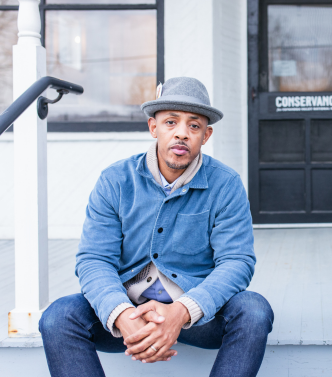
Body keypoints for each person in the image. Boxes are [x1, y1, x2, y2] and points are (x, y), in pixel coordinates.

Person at [40, 77, 274, 377]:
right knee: (58, 317)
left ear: (206, 135)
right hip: (130, 309)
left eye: (194, 125)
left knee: (254, 311)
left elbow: (237, 262)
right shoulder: (115, 180)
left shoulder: (226, 184)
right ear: (153, 127)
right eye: (171, 122)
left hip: (196, 313)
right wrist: (122, 314)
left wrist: (183, 311)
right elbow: (95, 259)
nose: (181, 134)